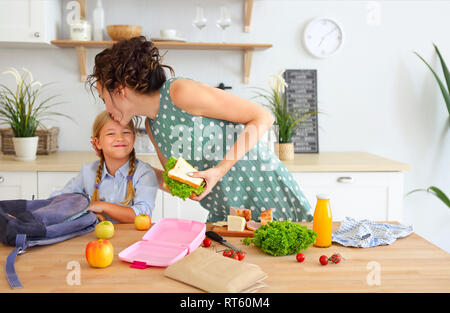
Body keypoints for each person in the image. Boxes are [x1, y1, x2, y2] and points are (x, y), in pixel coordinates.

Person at [87, 36, 313, 223]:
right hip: (228, 215)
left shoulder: (179, 92)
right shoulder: (152, 126)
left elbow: (262, 117)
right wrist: (129, 167)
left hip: (266, 193)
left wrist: (219, 170)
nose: (105, 107)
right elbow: (180, 184)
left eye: (102, 97)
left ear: (119, 89)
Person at [50, 110, 158, 223]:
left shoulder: (144, 173)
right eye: (111, 133)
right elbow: (61, 199)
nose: (119, 138)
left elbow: (142, 215)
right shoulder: (88, 171)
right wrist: (89, 212)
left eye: (126, 132)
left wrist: (102, 206)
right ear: (98, 143)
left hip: (132, 238)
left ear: (134, 138)